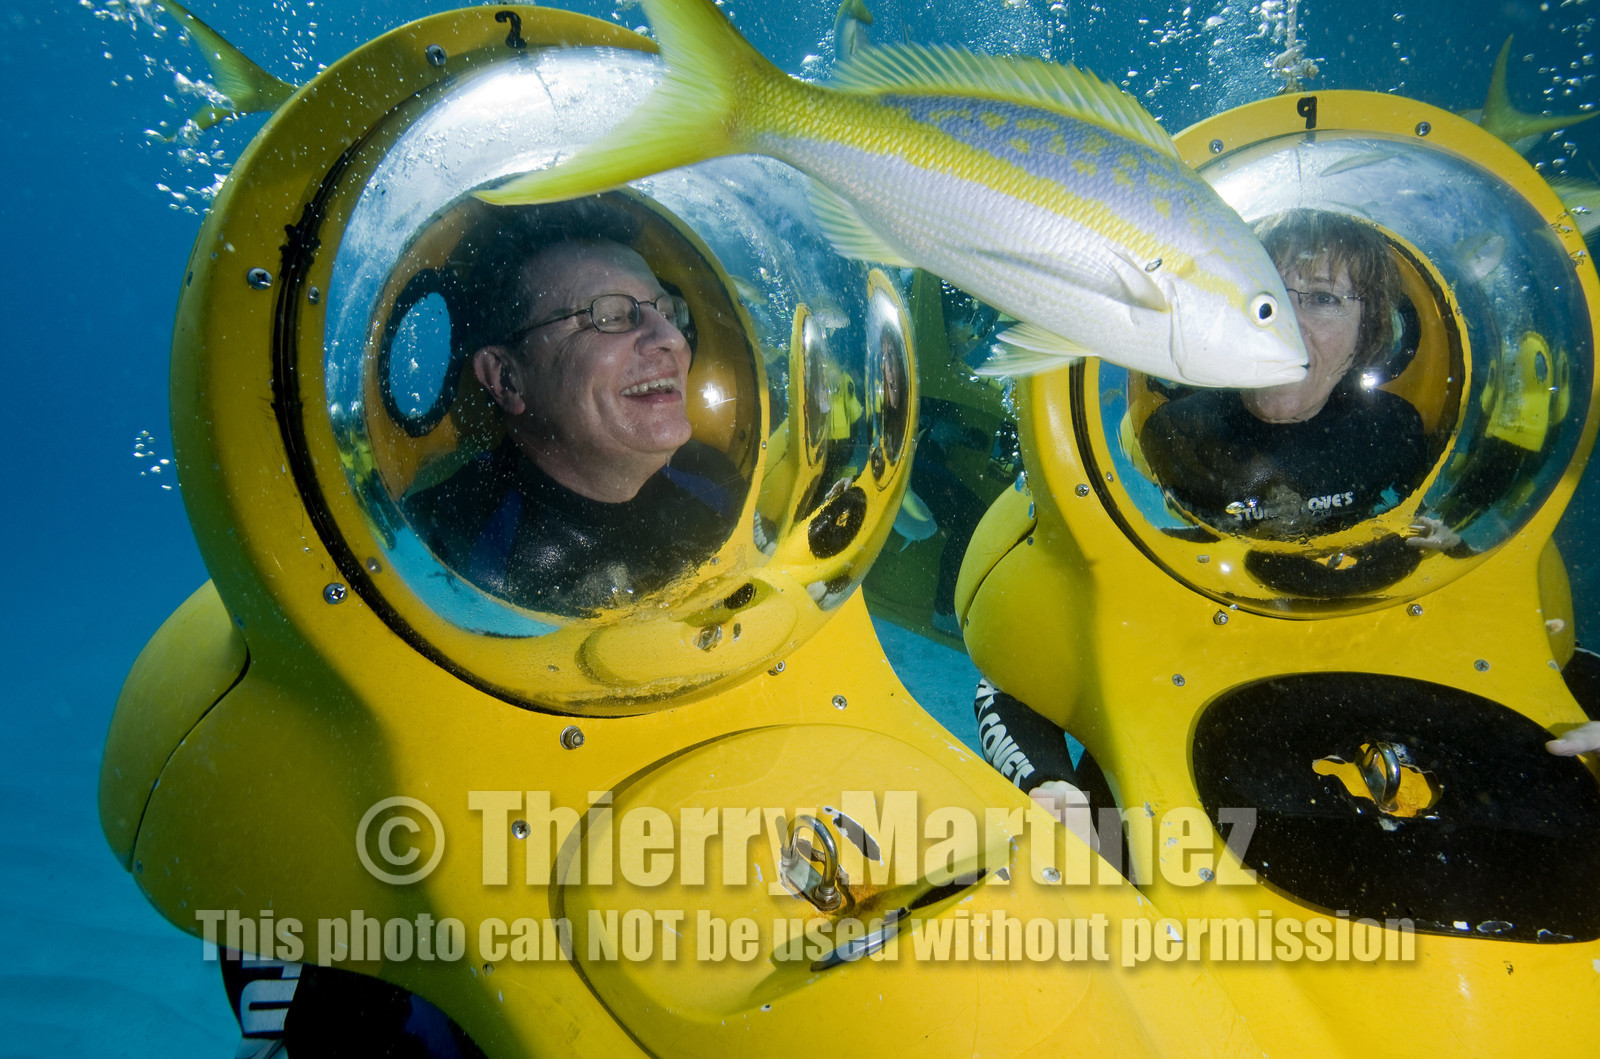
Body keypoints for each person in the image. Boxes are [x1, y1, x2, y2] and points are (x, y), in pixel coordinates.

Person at [404, 205, 738, 616]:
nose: (670, 338)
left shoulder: (715, 481)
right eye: (611, 316)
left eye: (668, 312)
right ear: (506, 377)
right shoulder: (438, 549)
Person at [1137, 209, 1435, 544]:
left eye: (1324, 298)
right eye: (1264, 293)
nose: (1282, 326)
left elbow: (1424, 532)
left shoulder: (1392, 431)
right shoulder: (1173, 434)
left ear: (1365, 334)